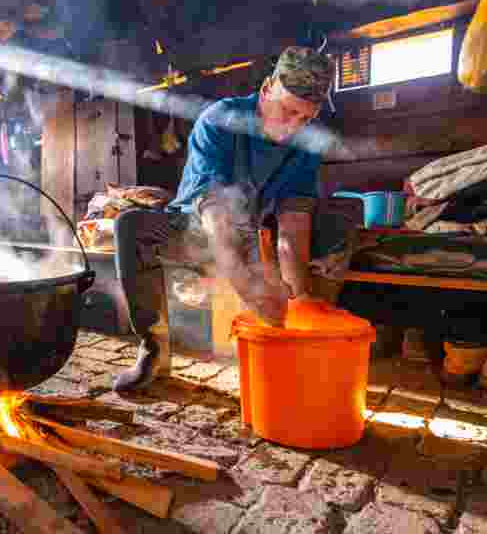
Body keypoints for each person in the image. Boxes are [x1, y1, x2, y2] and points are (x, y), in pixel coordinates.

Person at [113, 45, 360, 392]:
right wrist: (248, 287)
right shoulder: (221, 119)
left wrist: (295, 298)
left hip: (257, 236)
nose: (294, 126)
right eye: (288, 111)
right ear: (266, 90)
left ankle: (307, 338)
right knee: (130, 226)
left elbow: (294, 223)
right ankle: (153, 350)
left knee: (340, 222)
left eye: (305, 118)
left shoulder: (305, 142)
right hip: (199, 228)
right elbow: (215, 212)